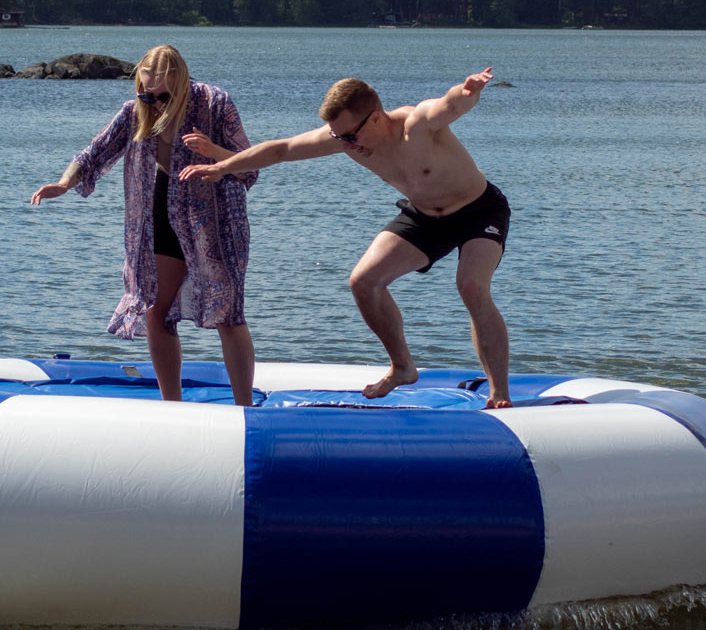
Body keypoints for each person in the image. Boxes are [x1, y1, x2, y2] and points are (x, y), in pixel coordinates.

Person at [180, 66, 512, 407]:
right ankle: (402, 368)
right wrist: (222, 166)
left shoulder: (416, 125)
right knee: (363, 282)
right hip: (426, 216)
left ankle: (499, 392)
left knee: (471, 286)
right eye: (339, 138)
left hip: (479, 211)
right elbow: (282, 149)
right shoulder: (347, 140)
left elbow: (449, 105)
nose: (347, 145)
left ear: (377, 118)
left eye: (351, 136)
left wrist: (467, 91)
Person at [30, 45, 259, 405]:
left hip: (215, 217)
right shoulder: (137, 113)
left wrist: (213, 150)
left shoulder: (215, 104)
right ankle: (172, 406)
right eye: (146, 94)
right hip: (161, 210)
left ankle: (245, 408)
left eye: (163, 95)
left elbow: (249, 166)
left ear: (181, 83)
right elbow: (94, 152)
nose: (156, 103)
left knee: (227, 313)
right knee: (157, 309)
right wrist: (63, 183)